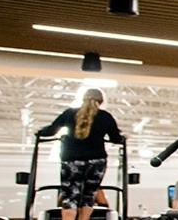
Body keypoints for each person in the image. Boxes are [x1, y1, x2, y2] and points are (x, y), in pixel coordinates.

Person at [36, 88, 123, 220]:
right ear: (101, 101)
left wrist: (40, 132)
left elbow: (51, 130)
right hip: (96, 160)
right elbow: (116, 138)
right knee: (89, 194)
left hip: (71, 159)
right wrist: (123, 137)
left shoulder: (69, 113)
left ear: (83, 99)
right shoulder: (105, 116)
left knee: (70, 195)